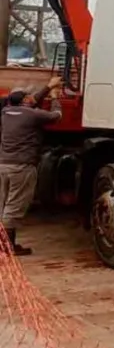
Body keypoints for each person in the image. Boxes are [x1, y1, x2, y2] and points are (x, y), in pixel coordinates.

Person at [0, 77, 63, 256]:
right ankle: (7, 246)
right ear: (24, 101)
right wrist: (55, 97)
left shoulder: (6, 112)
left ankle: (6, 244)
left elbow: (32, 101)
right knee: (15, 206)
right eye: (28, 96)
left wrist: (48, 86)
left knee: (3, 204)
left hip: (4, 165)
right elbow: (57, 117)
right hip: (22, 167)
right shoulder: (32, 115)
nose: (31, 98)